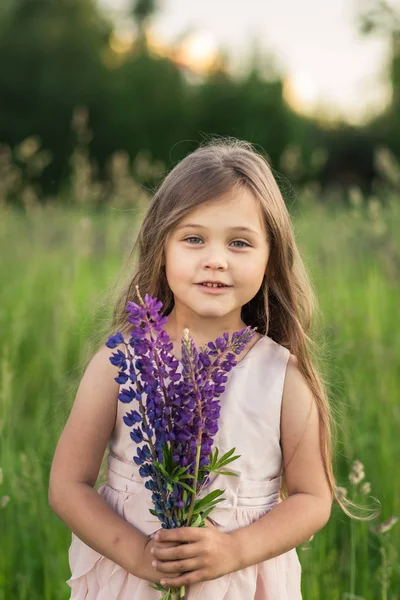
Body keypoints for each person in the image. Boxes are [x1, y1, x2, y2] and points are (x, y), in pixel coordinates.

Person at [49, 137, 344, 599]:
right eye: (193, 238)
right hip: (132, 579)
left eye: (240, 243)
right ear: (160, 246)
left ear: (271, 258)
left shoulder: (281, 374)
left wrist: (233, 551)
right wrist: (139, 555)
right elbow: (67, 485)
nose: (215, 259)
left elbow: (313, 499)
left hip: (239, 583)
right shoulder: (120, 359)